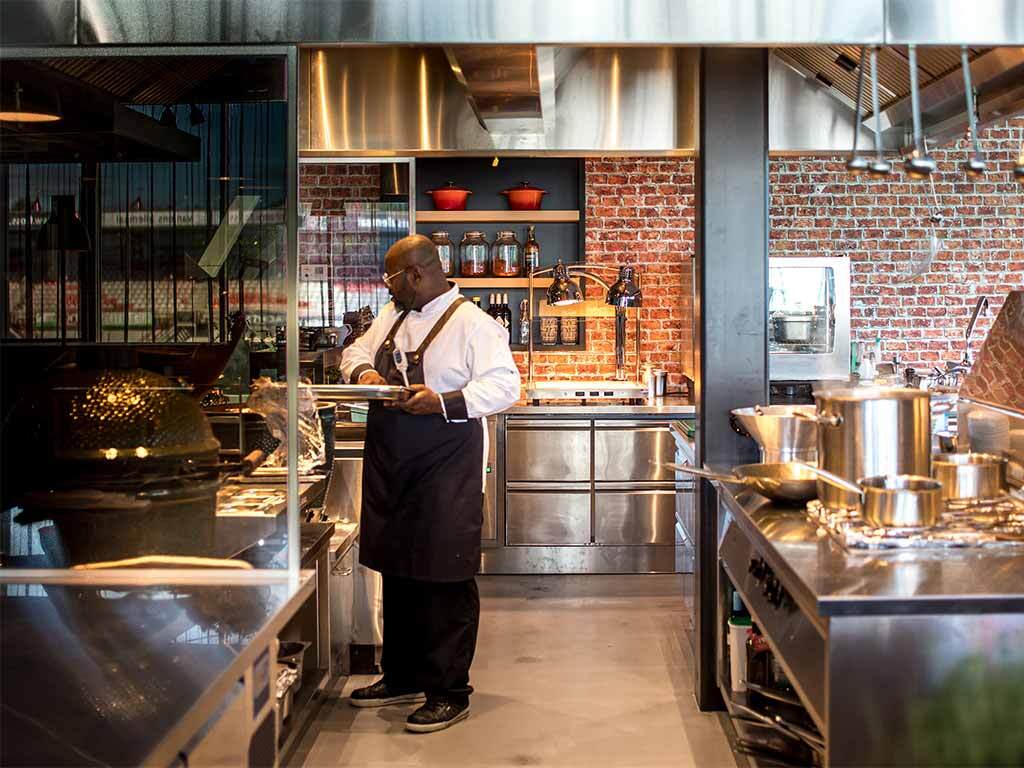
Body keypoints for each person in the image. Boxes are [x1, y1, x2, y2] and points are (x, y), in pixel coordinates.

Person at [340, 234, 520, 733]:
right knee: (398, 572)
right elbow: (353, 352)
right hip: (394, 467)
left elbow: (505, 385)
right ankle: (402, 675)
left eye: (391, 279)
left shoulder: (473, 324)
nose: (388, 288)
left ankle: (448, 691)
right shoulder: (392, 317)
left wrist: (441, 402)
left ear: (415, 274)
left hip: (447, 472)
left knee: (444, 578)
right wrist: (365, 375)